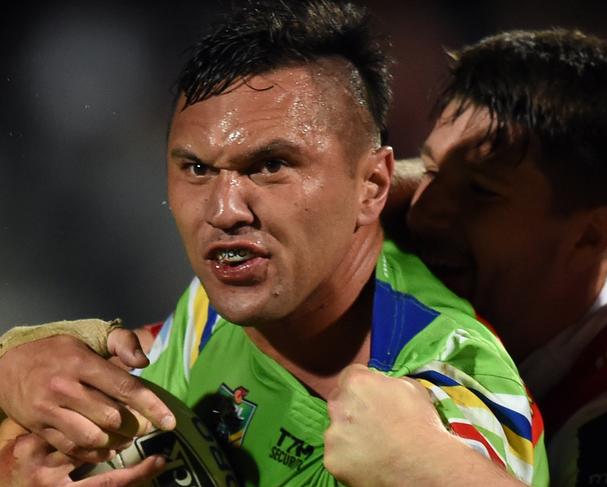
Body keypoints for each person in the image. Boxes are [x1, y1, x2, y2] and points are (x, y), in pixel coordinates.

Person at [0, 1, 547, 486]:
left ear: (372, 186)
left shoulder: (448, 395)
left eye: (271, 165)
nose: (224, 211)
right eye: (196, 168)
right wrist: (17, 372)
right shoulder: (210, 311)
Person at [327, 29, 607, 487]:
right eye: (433, 170)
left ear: (589, 236)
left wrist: (426, 465)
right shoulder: (402, 253)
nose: (427, 213)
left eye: (482, 192)